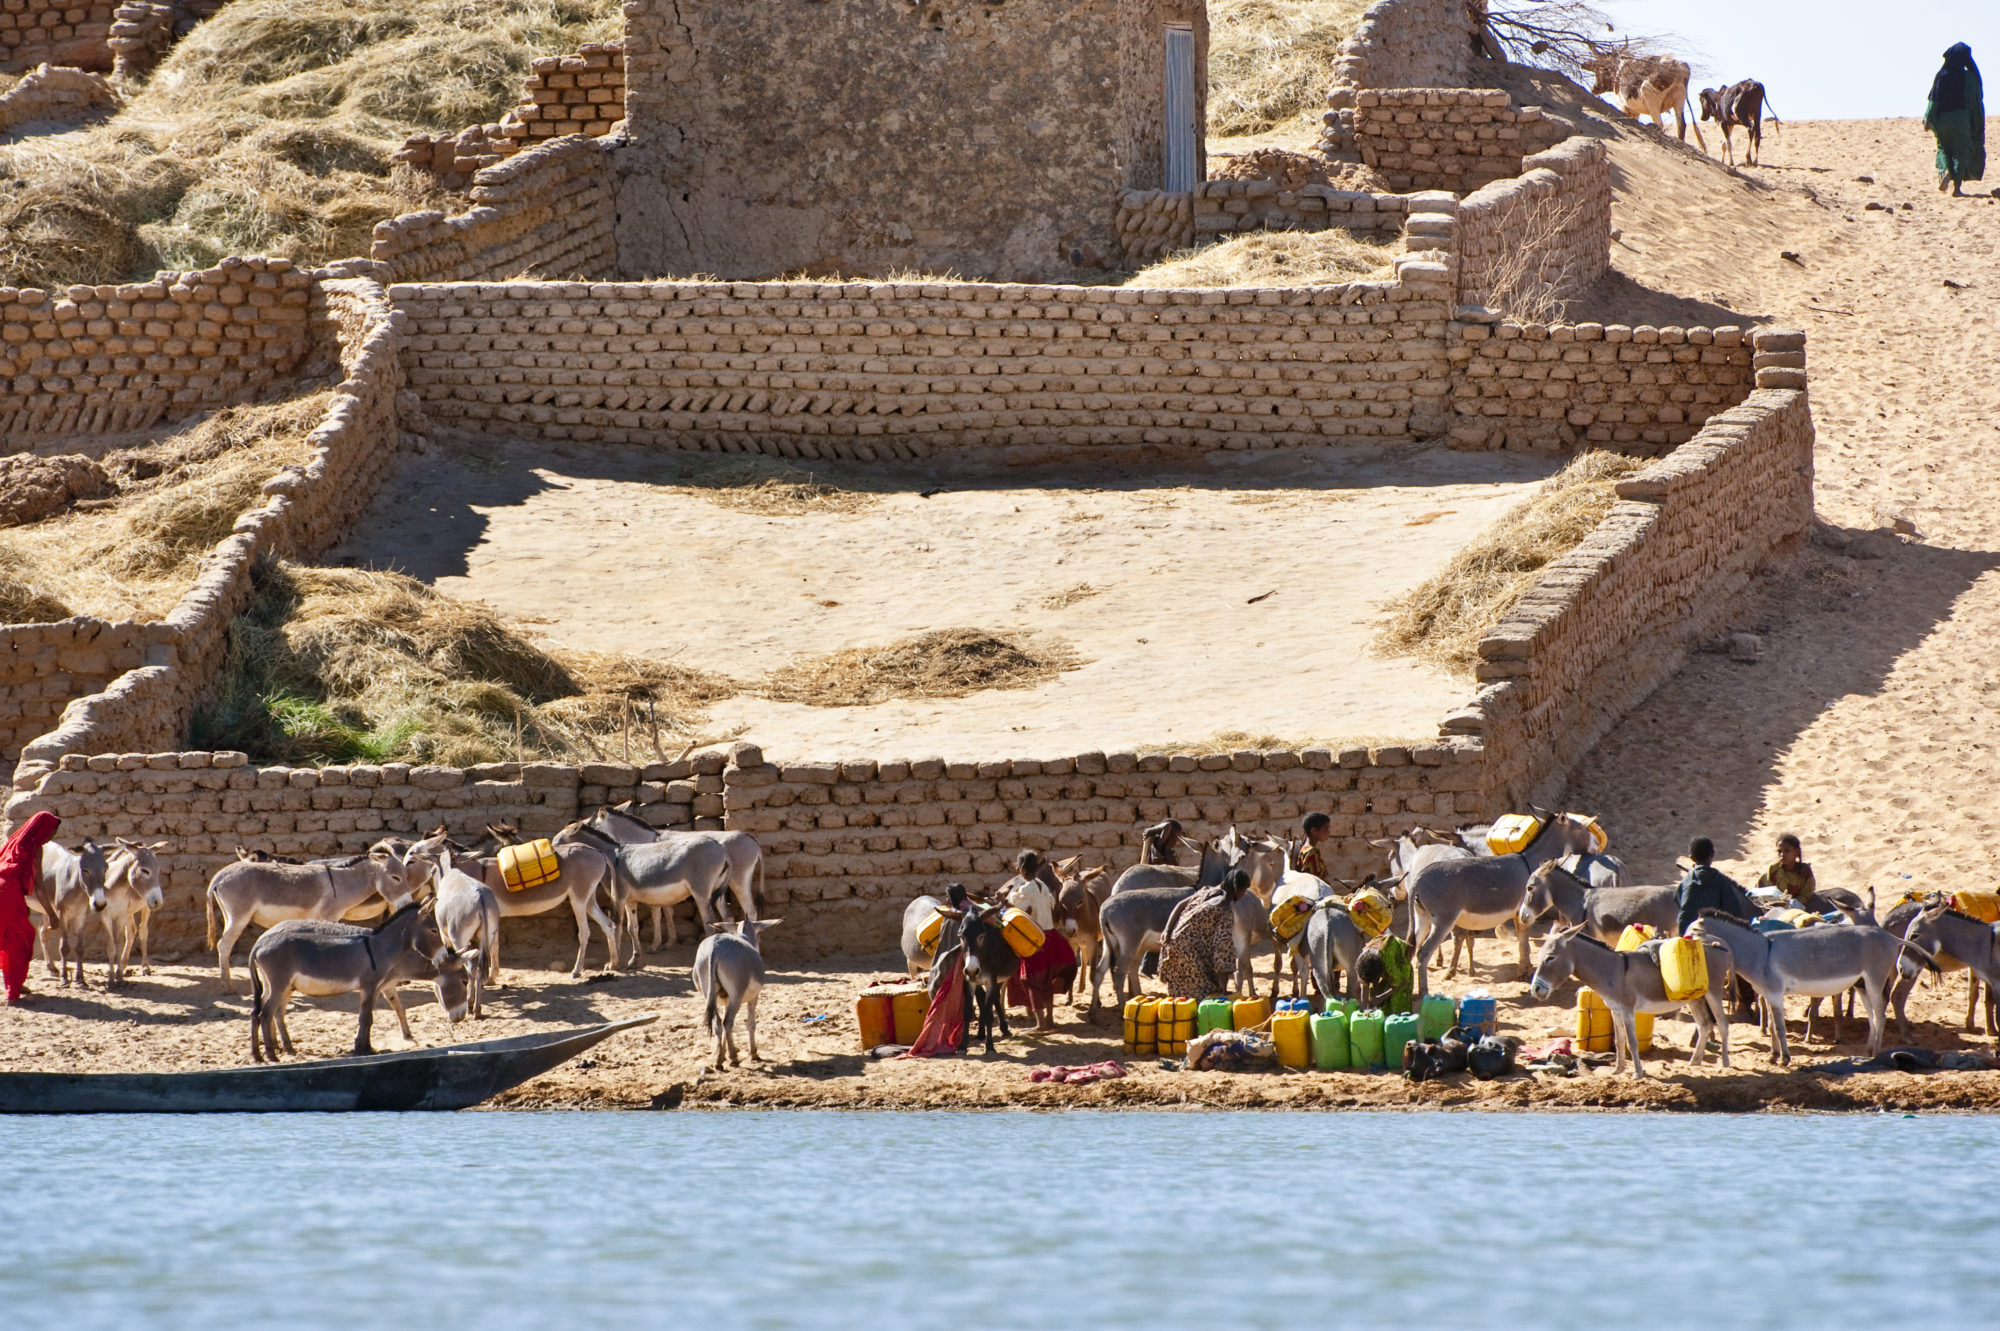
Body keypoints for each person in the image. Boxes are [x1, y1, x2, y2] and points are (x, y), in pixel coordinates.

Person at [1157, 869, 1252, 999]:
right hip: (1188, 953)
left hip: (1172, 944)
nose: (1244, 895)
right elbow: (1222, 948)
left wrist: (1167, 931)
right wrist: (1222, 986)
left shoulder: (1208, 891)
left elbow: (1180, 905)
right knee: (1206, 994)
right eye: (1244, 891)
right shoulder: (1225, 910)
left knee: (1181, 997)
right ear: (1237, 890)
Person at [0, 811, 59, 1005]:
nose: (52, 837)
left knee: (17, 936)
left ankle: (14, 982)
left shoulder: (19, 842)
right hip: (7, 894)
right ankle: (13, 992)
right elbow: (40, 885)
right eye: (52, 832)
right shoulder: (33, 848)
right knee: (18, 940)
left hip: (9, 893)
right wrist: (51, 913)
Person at [1925, 43, 1985, 196]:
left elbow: (1934, 99)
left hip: (1942, 119)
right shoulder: (1969, 77)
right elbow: (1975, 103)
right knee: (1960, 152)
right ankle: (1956, 188)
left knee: (1943, 147)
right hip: (1961, 119)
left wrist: (1927, 118)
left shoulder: (1942, 75)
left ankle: (1945, 171)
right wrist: (1976, 125)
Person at [1674, 837, 1758, 936]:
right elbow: (1734, 911)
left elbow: (1677, 898)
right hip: (1715, 935)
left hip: (1687, 935)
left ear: (1691, 858)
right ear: (1712, 855)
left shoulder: (1685, 881)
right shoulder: (1720, 880)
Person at [1756, 833, 1816, 907]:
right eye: (1779, 852)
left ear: (1796, 852)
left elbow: (1806, 894)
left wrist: (1792, 904)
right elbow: (1762, 891)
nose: (1782, 855)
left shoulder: (1804, 871)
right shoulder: (1773, 870)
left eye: (1787, 851)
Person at [1291, 812, 1332, 881]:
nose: (1328, 832)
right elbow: (1312, 882)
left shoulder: (1306, 849)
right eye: (1326, 829)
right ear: (1314, 831)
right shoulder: (1310, 853)